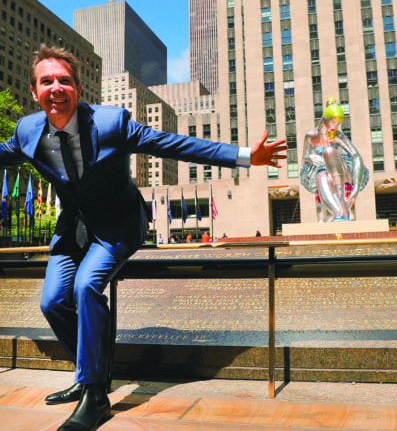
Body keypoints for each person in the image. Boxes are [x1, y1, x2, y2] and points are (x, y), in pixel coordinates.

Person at [0, 45, 288, 431]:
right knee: (53, 302)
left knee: (86, 287)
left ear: (78, 89)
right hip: (73, 227)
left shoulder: (110, 124)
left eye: (64, 81)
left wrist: (244, 156)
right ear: (35, 92)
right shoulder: (27, 131)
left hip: (118, 225)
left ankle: (94, 393)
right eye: (46, 81)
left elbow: (174, 144)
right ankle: (91, 373)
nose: (56, 88)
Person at [300, 101, 368, 222]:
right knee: (320, 176)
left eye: (337, 124)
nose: (334, 127)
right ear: (324, 119)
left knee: (329, 151)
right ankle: (339, 211)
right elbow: (303, 159)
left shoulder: (337, 136)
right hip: (323, 172)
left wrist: (356, 188)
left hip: (342, 171)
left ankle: (341, 198)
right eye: (332, 122)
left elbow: (357, 157)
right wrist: (309, 157)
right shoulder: (310, 135)